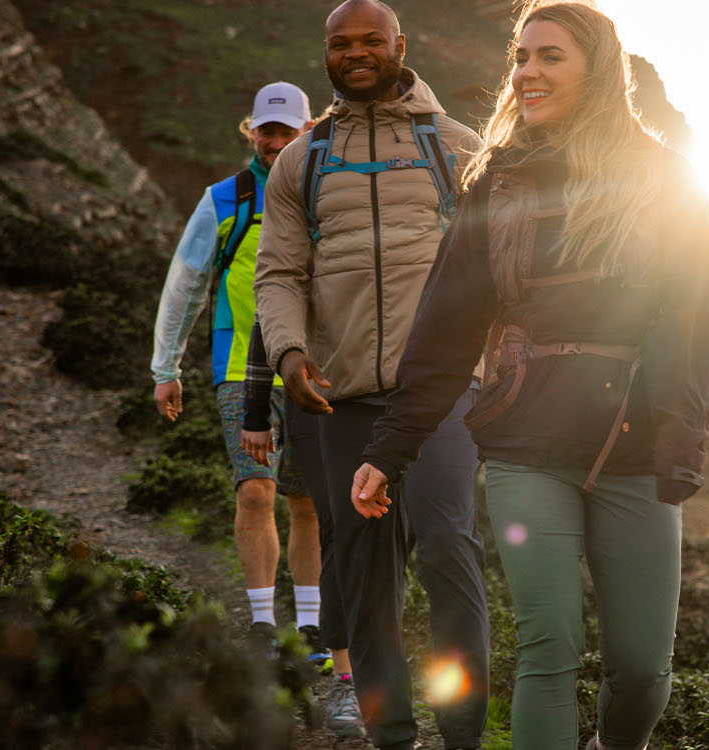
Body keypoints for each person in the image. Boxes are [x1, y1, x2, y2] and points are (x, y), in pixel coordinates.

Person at [350, 3, 709, 747]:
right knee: (549, 648)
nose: (527, 73)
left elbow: (692, 323)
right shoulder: (498, 183)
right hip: (525, 444)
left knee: (643, 670)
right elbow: (445, 329)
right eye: (520, 59)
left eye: (549, 56)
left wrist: (683, 438)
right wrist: (389, 448)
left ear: (598, 69)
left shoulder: (666, 180)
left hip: (634, 451)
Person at [252, 0, 490, 745]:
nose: (356, 54)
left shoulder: (458, 149)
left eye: (370, 42)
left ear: (399, 46)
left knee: (450, 544)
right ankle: (393, 734)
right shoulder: (303, 160)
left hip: (445, 393)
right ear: (326, 53)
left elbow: (500, 271)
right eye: (340, 44)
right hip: (342, 395)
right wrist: (289, 355)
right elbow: (279, 273)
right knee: (362, 573)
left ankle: (462, 732)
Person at [150, 82, 329, 641]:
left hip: (314, 371)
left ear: (307, 132)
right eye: (266, 130)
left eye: (286, 131)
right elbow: (185, 285)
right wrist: (166, 370)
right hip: (237, 370)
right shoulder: (222, 199)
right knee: (255, 490)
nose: (275, 141)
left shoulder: (328, 195)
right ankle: (259, 625)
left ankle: (308, 625)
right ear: (251, 131)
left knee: (309, 502)